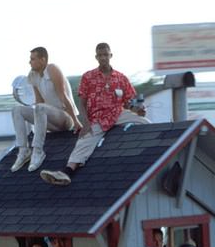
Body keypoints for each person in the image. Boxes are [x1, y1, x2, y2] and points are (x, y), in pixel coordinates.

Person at [40, 43, 142, 187]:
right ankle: (66, 173)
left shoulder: (121, 78)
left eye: (106, 54)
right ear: (96, 57)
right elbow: (82, 102)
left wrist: (138, 110)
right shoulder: (88, 77)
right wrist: (85, 122)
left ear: (111, 55)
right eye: (100, 55)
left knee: (145, 122)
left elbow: (129, 102)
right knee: (84, 141)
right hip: (98, 118)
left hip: (118, 113)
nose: (103, 58)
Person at [10, 47, 80, 173]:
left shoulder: (52, 69)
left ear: (42, 60)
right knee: (17, 110)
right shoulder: (32, 76)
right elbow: (38, 102)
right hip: (49, 118)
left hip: (65, 118)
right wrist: (37, 128)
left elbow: (63, 96)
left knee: (40, 107)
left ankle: (38, 151)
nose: (29, 62)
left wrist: (75, 121)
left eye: (32, 59)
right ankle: (23, 151)